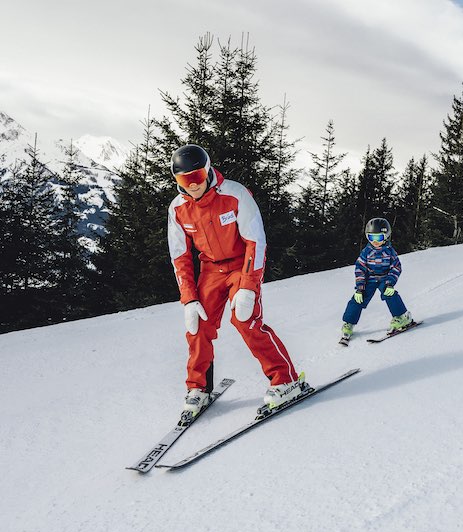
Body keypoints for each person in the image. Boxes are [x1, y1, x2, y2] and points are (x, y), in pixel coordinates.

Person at [166, 143, 306, 417]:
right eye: (185, 180)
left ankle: (286, 380)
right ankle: (199, 387)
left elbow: (256, 241)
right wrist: (189, 298)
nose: (192, 186)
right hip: (210, 270)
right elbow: (180, 256)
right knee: (197, 324)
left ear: (206, 172)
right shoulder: (178, 208)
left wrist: (249, 286)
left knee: (245, 320)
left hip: (242, 264)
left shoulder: (234, 194)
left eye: (196, 177)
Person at [340, 218, 412, 342]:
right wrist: (360, 288)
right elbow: (360, 269)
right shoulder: (366, 252)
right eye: (371, 237)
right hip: (370, 279)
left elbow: (396, 267)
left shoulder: (390, 252)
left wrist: (390, 282)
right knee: (358, 298)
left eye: (378, 238)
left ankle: (402, 317)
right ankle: (349, 323)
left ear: (386, 236)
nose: (375, 241)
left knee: (389, 294)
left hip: (385, 278)